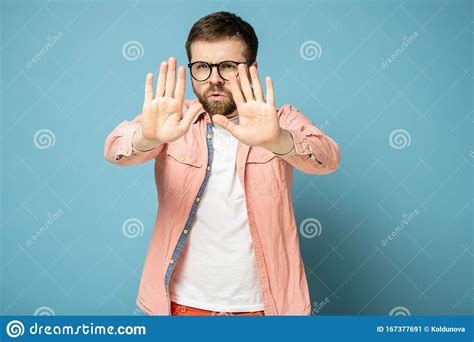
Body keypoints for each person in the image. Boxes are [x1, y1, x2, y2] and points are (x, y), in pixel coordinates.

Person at [104, 11, 340, 316]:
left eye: (227, 66)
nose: (213, 78)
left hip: (267, 309)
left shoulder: (279, 120)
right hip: (180, 307)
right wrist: (148, 137)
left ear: (251, 69)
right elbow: (115, 149)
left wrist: (277, 140)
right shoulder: (171, 119)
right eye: (202, 66)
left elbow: (328, 159)